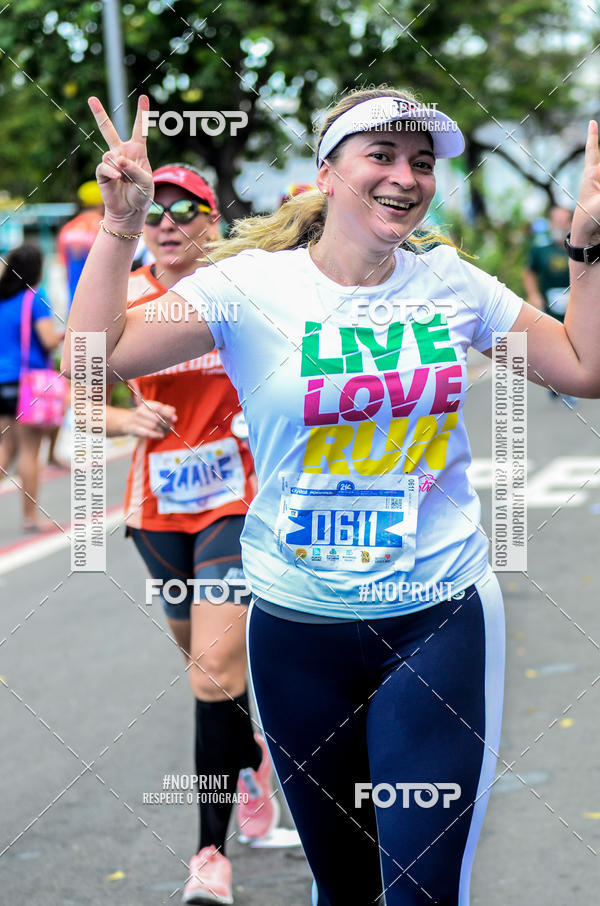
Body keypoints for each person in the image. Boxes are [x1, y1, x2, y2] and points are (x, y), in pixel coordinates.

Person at [64, 87, 600, 905]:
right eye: (379, 156)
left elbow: (584, 368)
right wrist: (119, 226)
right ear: (327, 173)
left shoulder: (450, 282)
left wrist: (587, 252)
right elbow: (94, 361)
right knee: (345, 888)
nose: (405, 177)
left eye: (420, 163)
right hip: (297, 624)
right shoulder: (249, 287)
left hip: (439, 613)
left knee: (420, 889)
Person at [104, 163, 279, 905]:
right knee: (202, 663)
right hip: (155, 509)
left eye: (186, 210)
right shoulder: (127, 299)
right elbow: (65, 388)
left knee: (213, 667)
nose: (167, 223)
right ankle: (256, 755)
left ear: (212, 221)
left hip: (235, 501)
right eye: (155, 214)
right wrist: (119, 417)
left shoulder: (241, 295)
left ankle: (209, 854)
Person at [0, 243, 63, 531]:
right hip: (28, 384)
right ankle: (30, 517)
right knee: (28, 451)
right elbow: (48, 340)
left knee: (6, 448)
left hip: (3, 381)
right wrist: (67, 334)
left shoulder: (2, 299)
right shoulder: (35, 298)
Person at [523, 206, 576, 404]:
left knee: (575, 342)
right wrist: (534, 295)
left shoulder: (577, 246)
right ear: (550, 222)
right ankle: (557, 383)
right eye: (556, 220)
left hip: (575, 303)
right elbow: (528, 273)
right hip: (550, 304)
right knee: (555, 344)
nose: (560, 224)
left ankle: (571, 382)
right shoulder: (540, 249)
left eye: (564, 220)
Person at [57, 180, 104, 311]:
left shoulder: (67, 229)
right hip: (101, 302)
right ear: (102, 202)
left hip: (74, 302)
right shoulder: (105, 228)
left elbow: (64, 267)